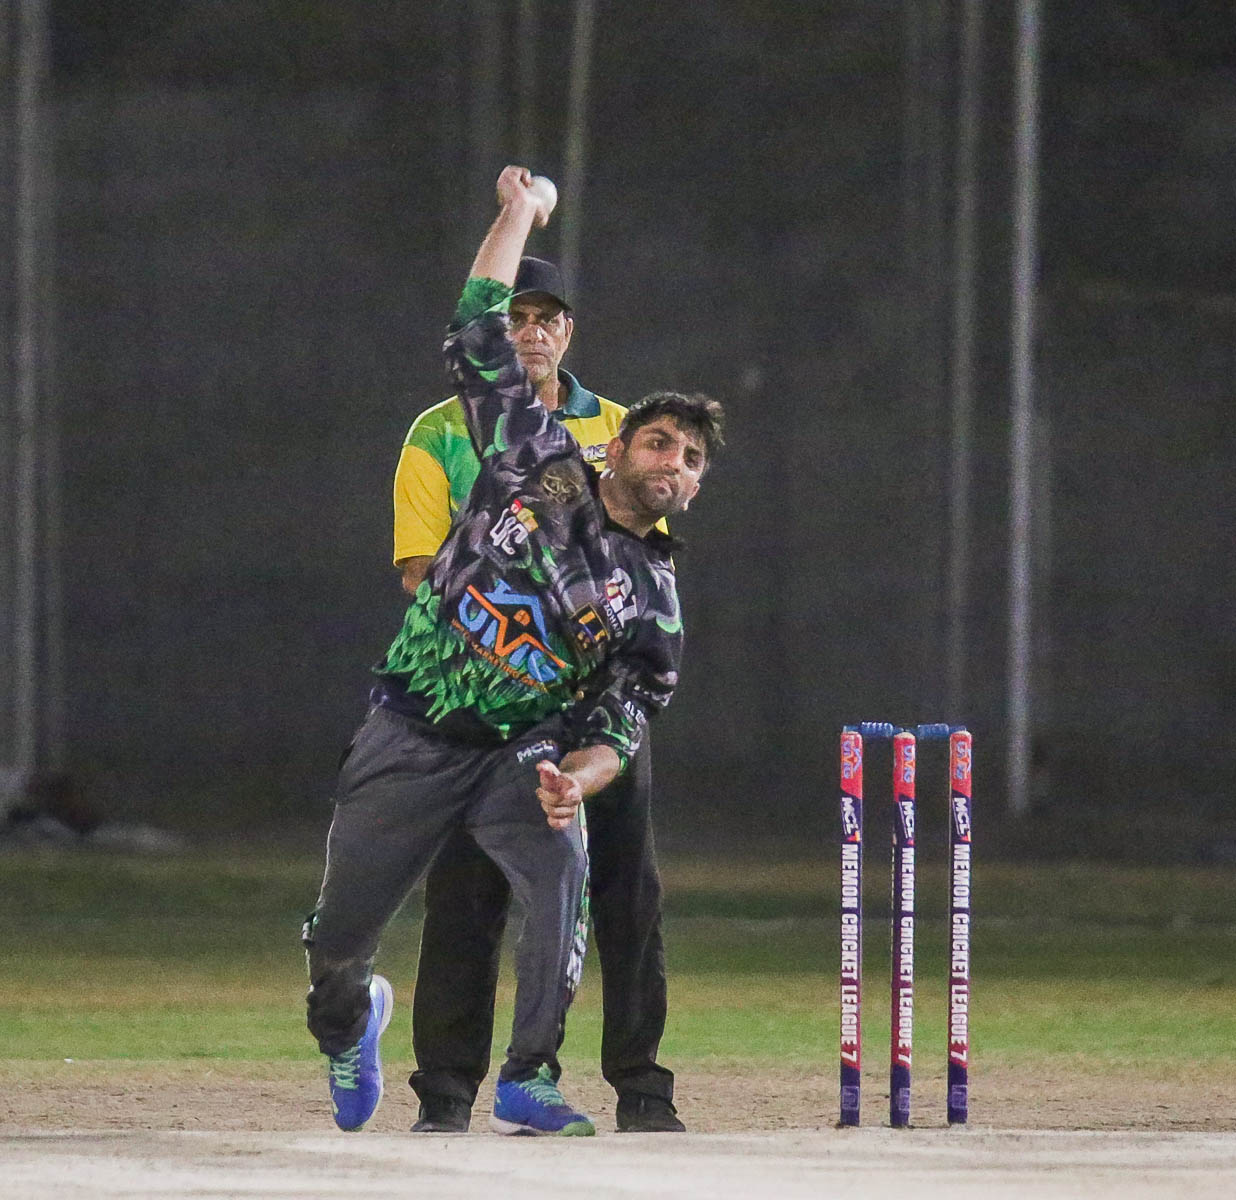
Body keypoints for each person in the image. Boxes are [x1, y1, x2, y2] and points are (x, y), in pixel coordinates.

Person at [302, 165, 724, 1137]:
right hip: (414, 726)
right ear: (616, 447)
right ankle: (350, 1021)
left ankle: (530, 1074)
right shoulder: (534, 457)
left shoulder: (655, 602)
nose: (673, 463)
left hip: (519, 745)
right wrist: (519, 213)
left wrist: (580, 775)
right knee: (340, 943)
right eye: (660, 443)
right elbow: (474, 329)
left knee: (564, 868)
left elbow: (624, 716)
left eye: (692, 459)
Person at [393, 249, 686, 1136]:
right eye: (513, 318)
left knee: (626, 893)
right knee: (468, 895)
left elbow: (644, 557)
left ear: (568, 330)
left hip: (597, 703)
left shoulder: (623, 427)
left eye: (545, 318)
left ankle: (642, 1090)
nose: (529, 332)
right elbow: (421, 573)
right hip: (491, 697)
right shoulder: (441, 430)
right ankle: (446, 1093)